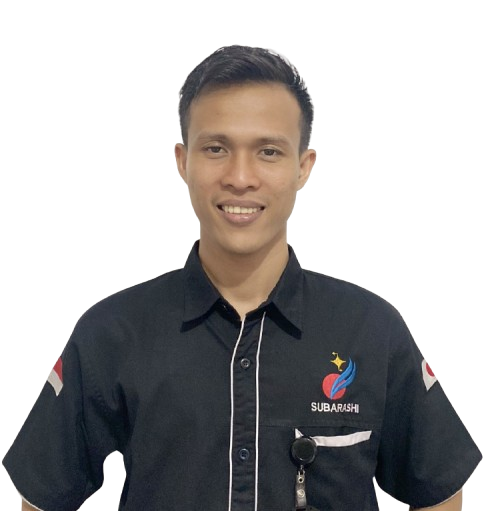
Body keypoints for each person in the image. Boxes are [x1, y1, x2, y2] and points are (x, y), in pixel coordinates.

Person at [3, 45, 482, 511]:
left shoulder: (372, 330)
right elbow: (44, 496)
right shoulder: (111, 331)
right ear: (182, 160)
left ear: (303, 167)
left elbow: (438, 493)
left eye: (268, 151)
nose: (240, 176)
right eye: (216, 148)